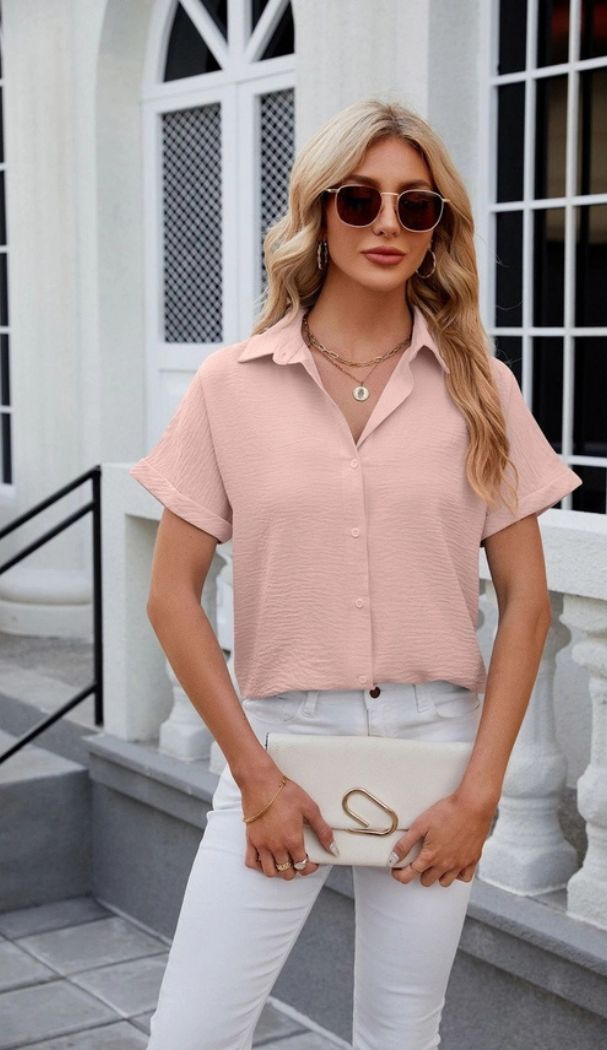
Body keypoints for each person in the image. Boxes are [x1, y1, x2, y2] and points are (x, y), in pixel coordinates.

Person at [130, 97, 582, 1050]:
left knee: (401, 1032)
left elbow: (528, 605)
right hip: (282, 749)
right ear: (317, 215)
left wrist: (479, 797)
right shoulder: (229, 387)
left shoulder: (481, 390)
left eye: (416, 207)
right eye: (360, 199)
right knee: (191, 1034)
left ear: (438, 229)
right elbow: (170, 596)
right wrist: (255, 778)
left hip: (437, 753)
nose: (387, 224)